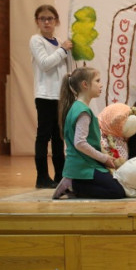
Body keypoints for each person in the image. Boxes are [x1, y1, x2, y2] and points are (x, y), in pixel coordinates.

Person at [52, 67, 125, 199]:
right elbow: (80, 143)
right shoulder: (83, 111)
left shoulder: (78, 107)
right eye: (97, 81)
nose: (101, 84)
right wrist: (104, 158)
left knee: (116, 186)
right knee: (117, 192)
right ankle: (73, 185)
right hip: (83, 165)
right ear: (85, 84)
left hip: (86, 163)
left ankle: (76, 185)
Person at [29, 4, 72, 189]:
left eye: (50, 18)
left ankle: (60, 175)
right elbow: (45, 64)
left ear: (56, 21)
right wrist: (63, 50)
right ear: (37, 21)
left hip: (60, 97)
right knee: (43, 136)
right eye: (43, 19)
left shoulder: (60, 41)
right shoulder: (36, 40)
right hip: (45, 96)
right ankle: (42, 177)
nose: (47, 22)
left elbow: (65, 69)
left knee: (58, 138)